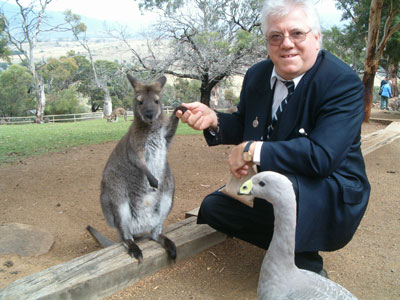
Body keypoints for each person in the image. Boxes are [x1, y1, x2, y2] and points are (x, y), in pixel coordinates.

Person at [176, 0, 370, 276]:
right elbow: (247, 123)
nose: (286, 43)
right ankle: (284, 241)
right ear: (267, 42)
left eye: (297, 33)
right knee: (214, 208)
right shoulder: (257, 75)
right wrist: (215, 119)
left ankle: (302, 261)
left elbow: (322, 157)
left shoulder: (342, 83)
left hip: (328, 190)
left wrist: (253, 151)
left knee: (285, 187)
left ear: (317, 38)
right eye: (275, 36)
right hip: (276, 184)